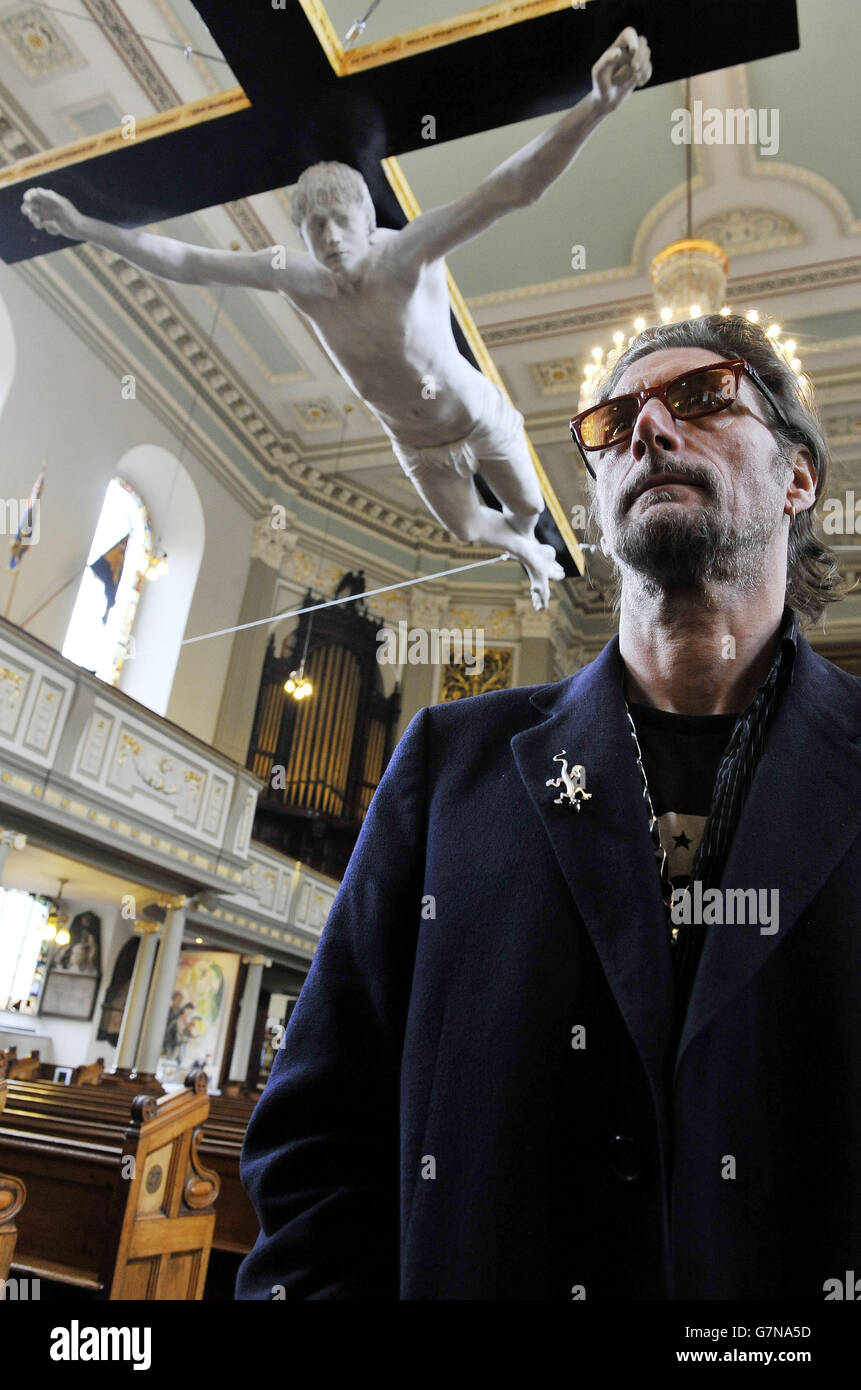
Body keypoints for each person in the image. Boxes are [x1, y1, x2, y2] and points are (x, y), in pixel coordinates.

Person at [233, 312, 860, 1300]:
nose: (649, 429)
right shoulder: (448, 764)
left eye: (702, 397)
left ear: (797, 476)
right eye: (615, 422)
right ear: (602, 500)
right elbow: (319, 1133)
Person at [20, 27, 651, 610]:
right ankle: (524, 549)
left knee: (525, 505)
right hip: (415, 445)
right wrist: (85, 227)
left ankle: (528, 543)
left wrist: (595, 105)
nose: (325, 237)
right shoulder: (297, 277)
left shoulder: (405, 253)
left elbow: (512, 187)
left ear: (364, 219)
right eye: (311, 226)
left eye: (336, 222)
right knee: (467, 526)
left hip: (477, 417)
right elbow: (186, 261)